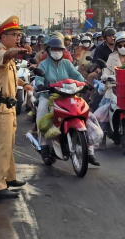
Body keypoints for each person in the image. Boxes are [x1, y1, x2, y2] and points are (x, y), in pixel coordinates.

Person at [0, 16, 33, 199]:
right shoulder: (0, 53)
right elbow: (6, 56)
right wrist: (19, 50)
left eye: (19, 35)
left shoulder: (9, 55)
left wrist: (24, 84)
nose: (17, 38)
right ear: (3, 36)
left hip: (9, 106)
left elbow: (11, 78)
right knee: (3, 148)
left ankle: (9, 177)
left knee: (9, 145)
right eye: (14, 35)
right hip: (0, 106)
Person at [34, 37, 99, 166]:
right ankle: (44, 146)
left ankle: (90, 150)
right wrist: (41, 85)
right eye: (54, 49)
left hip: (68, 96)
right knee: (41, 112)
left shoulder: (67, 63)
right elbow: (38, 79)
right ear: (48, 50)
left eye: (60, 49)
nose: (57, 52)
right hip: (49, 96)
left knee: (87, 113)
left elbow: (77, 75)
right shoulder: (43, 64)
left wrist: (85, 83)